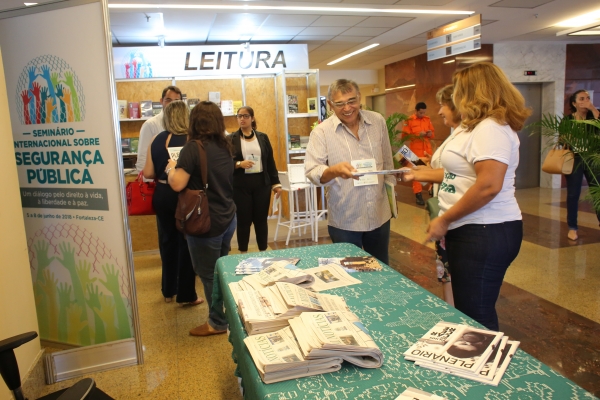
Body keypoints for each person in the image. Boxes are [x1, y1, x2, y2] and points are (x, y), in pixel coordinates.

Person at [403, 62, 531, 331]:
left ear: (474, 92)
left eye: (459, 90)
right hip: (471, 230)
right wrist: (422, 176)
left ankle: (486, 368)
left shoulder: (491, 128)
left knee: (477, 316)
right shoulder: (476, 126)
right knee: (469, 310)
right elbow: (458, 176)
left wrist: (444, 219)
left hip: (485, 231)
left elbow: (488, 186)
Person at [305, 79, 396, 265]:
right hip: (345, 219)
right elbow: (312, 171)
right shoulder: (321, 132)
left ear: (359, 97)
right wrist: (334, 170)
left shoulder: (377, 122)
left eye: (351, 101)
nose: (347, 108)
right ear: (330, 104)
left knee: (382, 271)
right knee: (351, 275)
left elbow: (387, 162)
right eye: (340, 104)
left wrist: (392, 194)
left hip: (380, 215)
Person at [166, 101, 236, 337]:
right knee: (221, 269)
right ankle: (228, 314)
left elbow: (177, 184)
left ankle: (217, 322)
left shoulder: (192, 148)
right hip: (227, 217)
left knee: (208, 274)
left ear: (194, 122)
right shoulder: (226, 145)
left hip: (205, 222)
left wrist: (171, 168)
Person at [142, 100, 202, 305]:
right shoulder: (193, 139)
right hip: (185, 196)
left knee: (167, 242)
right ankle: (187, 295)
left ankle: (168, 291)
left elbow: (148, 173)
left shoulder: (157, 139)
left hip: (162, 195)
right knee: (186, 243)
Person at [418, 84, 462, 307]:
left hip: (457, 220)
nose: (439, 111)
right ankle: (452, 312)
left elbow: (460, 176)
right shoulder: (455, 136)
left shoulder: (470, 136)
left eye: (443, 106)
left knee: (459, 279)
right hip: (446, 216)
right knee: (446, 271)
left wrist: (425, 172)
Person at [230, 106, 282, 252]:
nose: (242, 119)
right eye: (239, 116)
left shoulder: (263, 137)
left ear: (252, 118)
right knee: (243, 221)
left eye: (245, 116)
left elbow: (270, 162)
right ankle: (243, 251)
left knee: (261, 220)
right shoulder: (231, 139)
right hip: (241, 186)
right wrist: (239, 164)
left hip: (261, 184)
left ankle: (263, 250)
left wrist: (276, 184)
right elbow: (225, 162)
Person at [563, 90, 600, 241]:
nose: (586, 101)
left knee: (597, 191)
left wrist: (592, 108)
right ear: (574, 103)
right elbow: (562, 139)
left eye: (588, 98)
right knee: (573, 194)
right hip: (575, 158)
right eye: (582, 98)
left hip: (592, 158)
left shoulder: (595, 115)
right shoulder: (568, 120)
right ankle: (572, 227)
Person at [136, 86, 183, 173]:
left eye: (176, 101)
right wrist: (148, 182)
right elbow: (142, 158)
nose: (172, 104)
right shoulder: (150, 125)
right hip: (159, 181)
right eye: (168, 100)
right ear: (161, 101)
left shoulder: (186, 125)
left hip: (181, 180)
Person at [402, 102, 435, 205]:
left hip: (427, 151)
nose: (422, 114)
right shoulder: (409, 120)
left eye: (424, 112)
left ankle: (432, 190)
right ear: (416, 111)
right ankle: (418, 195)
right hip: (415, 151)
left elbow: (433, 135)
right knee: (417, 173)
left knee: (431, 171)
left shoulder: (427, 119)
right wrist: (417, 134)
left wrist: (429, 134)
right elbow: (404, 136)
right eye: (420, 112)